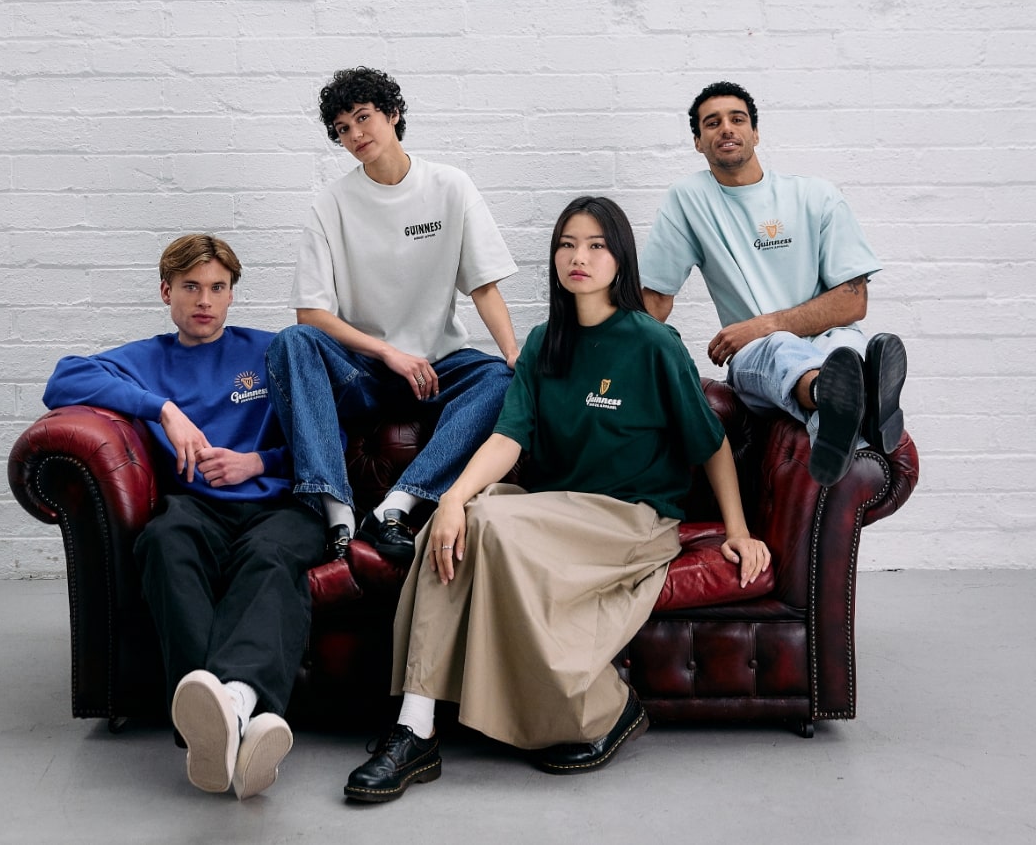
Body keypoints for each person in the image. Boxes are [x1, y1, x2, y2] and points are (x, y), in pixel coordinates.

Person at [344, 196, 770, 801]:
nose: (579, 256)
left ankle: (604, 709)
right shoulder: (545, 342)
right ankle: (414, 728)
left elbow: (713, 445)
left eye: (597, 245)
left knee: (485, 518)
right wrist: (451, 499)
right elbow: (507, 437)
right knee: (465, 519)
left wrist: (738, 529)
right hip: (555, 508)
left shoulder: (654, 344)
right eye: (568, 244)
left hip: (632, 517)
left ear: (620, 259)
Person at [43, 234, 325, 801]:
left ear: (230, 296)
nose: (205, 301)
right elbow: (63, 380)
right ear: (166, 291)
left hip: (279, 502)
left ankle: (224, 716)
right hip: (196, 508)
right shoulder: (147, 360)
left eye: (218, 288)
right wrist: (163, 409)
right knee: (164, 540)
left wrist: (256, 461)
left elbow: (329, 436)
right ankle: (234, 721)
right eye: (192, 287)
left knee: (272, 560)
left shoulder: (271, 351)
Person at [267, 66, 520, 566]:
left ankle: (395, 508)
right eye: (342, 129)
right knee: (292, 342)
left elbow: (483, 285)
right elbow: (311, 312)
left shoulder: (450, 186)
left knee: (503, 379)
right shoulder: (331, 203)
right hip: (364, 371)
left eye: (364, 118)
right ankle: (337, 513)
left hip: (438, 368)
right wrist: (388, 352)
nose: (355, 135)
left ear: (393, 114)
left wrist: (513, 353)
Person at [639, 81, 908, 487]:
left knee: (844, 350)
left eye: (737, 119)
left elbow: (854, 301)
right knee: (784, 348)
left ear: (756, 133)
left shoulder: (816, 196)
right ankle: (854, 399)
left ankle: (840, 410)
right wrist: (616, 359)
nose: (726, 128)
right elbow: (656, 299)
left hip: (827, 341)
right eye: (712, 123)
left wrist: (761, 323)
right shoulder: (687, 200)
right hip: (757, 356)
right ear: (698, 142)